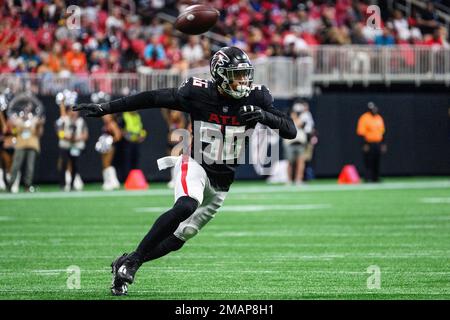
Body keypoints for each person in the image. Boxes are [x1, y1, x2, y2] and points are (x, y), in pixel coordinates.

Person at [74, 46, 296, 296]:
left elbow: (290, 130)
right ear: (221, 75)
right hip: (196, 164)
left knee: (179, 239)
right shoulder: (199, 93)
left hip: (223, 182)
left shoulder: (257, 99)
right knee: (186, 205)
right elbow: (153, 98)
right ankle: (133, 263)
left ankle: (126, 261)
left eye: (245, 74)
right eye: (236, 75)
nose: (243, 81)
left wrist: (264, 115)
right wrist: (106, 108)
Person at [7, 107, 45, 193]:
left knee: (30, 167)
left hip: (32, 145)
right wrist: (12, 125)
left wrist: (40, 125)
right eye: (25, 111)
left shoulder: (35, 120)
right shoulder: (18, 121)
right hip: (20, 145)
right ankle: (10, 184)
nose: (27, 113)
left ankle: (27, 186)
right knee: (15, 166)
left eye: (28, 111)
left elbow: (39, 133)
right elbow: (13, 132)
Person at [284, 101, 315, 185]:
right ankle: (289, 180)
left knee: (301, 162)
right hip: (290, 142)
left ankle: (299, 180)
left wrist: (295, 117)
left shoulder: (304, 116)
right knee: (289, 162)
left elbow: (300, 124)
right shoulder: (288, 117)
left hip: (300, 142)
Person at [356, 102, 387, 182]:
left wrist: (383, 144)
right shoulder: (364, 118)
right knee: (368, 161)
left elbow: (383, 132)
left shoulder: (379, 118)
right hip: (369, 143)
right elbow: (361, 132)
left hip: (378, 142)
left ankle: (376, 177)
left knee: (377, 161)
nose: (374, 110)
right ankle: (368, 177)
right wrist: (364, 144)